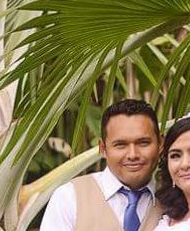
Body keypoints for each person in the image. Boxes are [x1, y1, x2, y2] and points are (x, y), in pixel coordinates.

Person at [40, 99, 164, 231]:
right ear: (103, 149)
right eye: (120, 145)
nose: (132, 155)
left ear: (161, 143)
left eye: (143, 143)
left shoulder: (176, 198)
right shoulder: (69, 197)